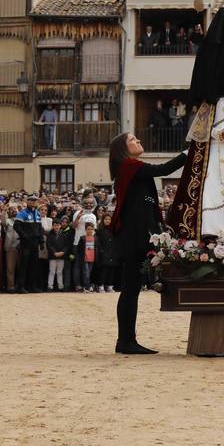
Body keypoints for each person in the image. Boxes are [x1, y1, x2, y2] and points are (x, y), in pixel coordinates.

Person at [108, 132, 186, 354]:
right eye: (133, 140)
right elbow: (163, 170)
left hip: (136, 235)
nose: (139, 141)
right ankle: (125, 341)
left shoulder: (129, 169)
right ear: (123, 148)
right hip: (134, 237)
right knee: (130, 290)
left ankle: (126, 340)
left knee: (132, 289)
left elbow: (147, 199)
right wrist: (188, 153)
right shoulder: (130, 166)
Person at [78, 222, 97, 292]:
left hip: (92, 259)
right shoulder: (82, 238)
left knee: (89, 273)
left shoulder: (95, 238)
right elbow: (79, 249)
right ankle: (86, 287)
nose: (90, 231)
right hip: (85, 258)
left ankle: (86, 286)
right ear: (85, 230)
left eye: (91, 229)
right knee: (86, 273)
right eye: (88, 229)